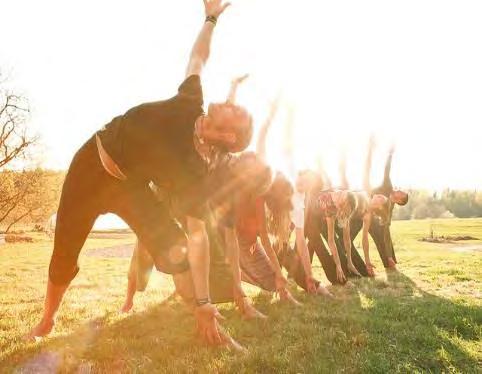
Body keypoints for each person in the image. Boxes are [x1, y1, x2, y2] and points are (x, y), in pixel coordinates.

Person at [27, 0, 253, 347]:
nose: (229, 103)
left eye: (234, 112)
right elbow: (198, 58)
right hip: (91, 166)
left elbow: (198, 235)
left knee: (174, 245)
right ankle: (47, 319)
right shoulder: (190, 101)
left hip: (129, 187)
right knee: (64, 253)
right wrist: (210, 18)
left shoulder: (196, 173)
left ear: (227, 137)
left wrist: (205, 300)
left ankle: (205, 319)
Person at [363, 137, 409, 269]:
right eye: (401, 190)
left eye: (402, 193)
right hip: (361, 204)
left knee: (382, 232)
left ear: (400, 201)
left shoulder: (389, 209)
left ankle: (389, 260)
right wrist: (390, 154)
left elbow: (386, 234)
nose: (399, 190)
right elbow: (386, 170)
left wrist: (389, 256)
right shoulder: (387, 186)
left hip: (369, 216)